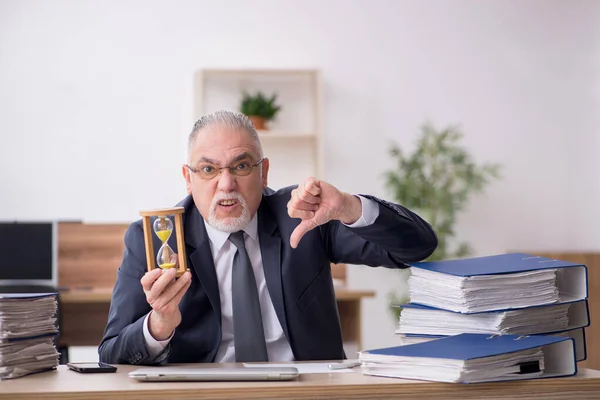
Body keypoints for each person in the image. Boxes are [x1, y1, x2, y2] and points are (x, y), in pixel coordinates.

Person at [98, 110, 438, 365]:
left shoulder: (303, 215)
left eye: (241, 166)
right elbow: (111, 355)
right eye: (208, 169)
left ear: (264, 173)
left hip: (304, 394)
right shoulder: (155, 239)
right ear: (188, 179)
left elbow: (417, 247)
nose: (226, 184)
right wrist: (159, 324)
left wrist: (349, 207)